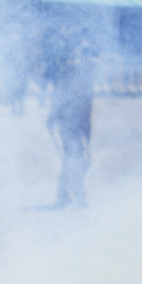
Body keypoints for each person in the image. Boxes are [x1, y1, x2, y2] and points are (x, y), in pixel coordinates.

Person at [47, 39, 95, 208]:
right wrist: (52, 118)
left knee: (79, 160)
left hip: (80, 123)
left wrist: (87, 133)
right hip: (69, 126)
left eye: (75, 56)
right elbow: (58, 99)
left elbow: (87, 104)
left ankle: (66, 194)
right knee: (73, 160)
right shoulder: (67, 74)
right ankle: (72, 195)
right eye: (71, 56)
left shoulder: (84, 74)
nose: (73, 59)